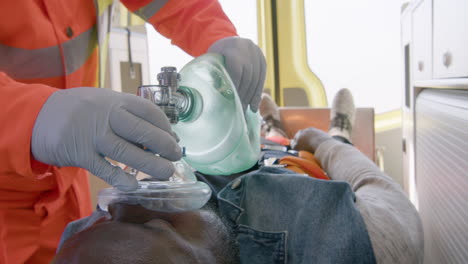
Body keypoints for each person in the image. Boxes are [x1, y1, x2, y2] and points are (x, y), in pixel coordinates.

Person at [0, 1, 266, 263]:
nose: (123, 207)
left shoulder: (91, 229)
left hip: (69, 178)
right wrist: (30, 116)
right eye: (159, 226)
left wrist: (216, 37)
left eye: (107, 217)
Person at [53, 89, 424, 264]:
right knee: (296, 147)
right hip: (298, 162)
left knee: (259, 141)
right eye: (155, 224)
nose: (135, 193)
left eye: (100, 215)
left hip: (237, 154)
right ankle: (333, 130)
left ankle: (268, 126)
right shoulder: (348, 239)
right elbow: (373, 185)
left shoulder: (78, 245)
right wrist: (322, 140)